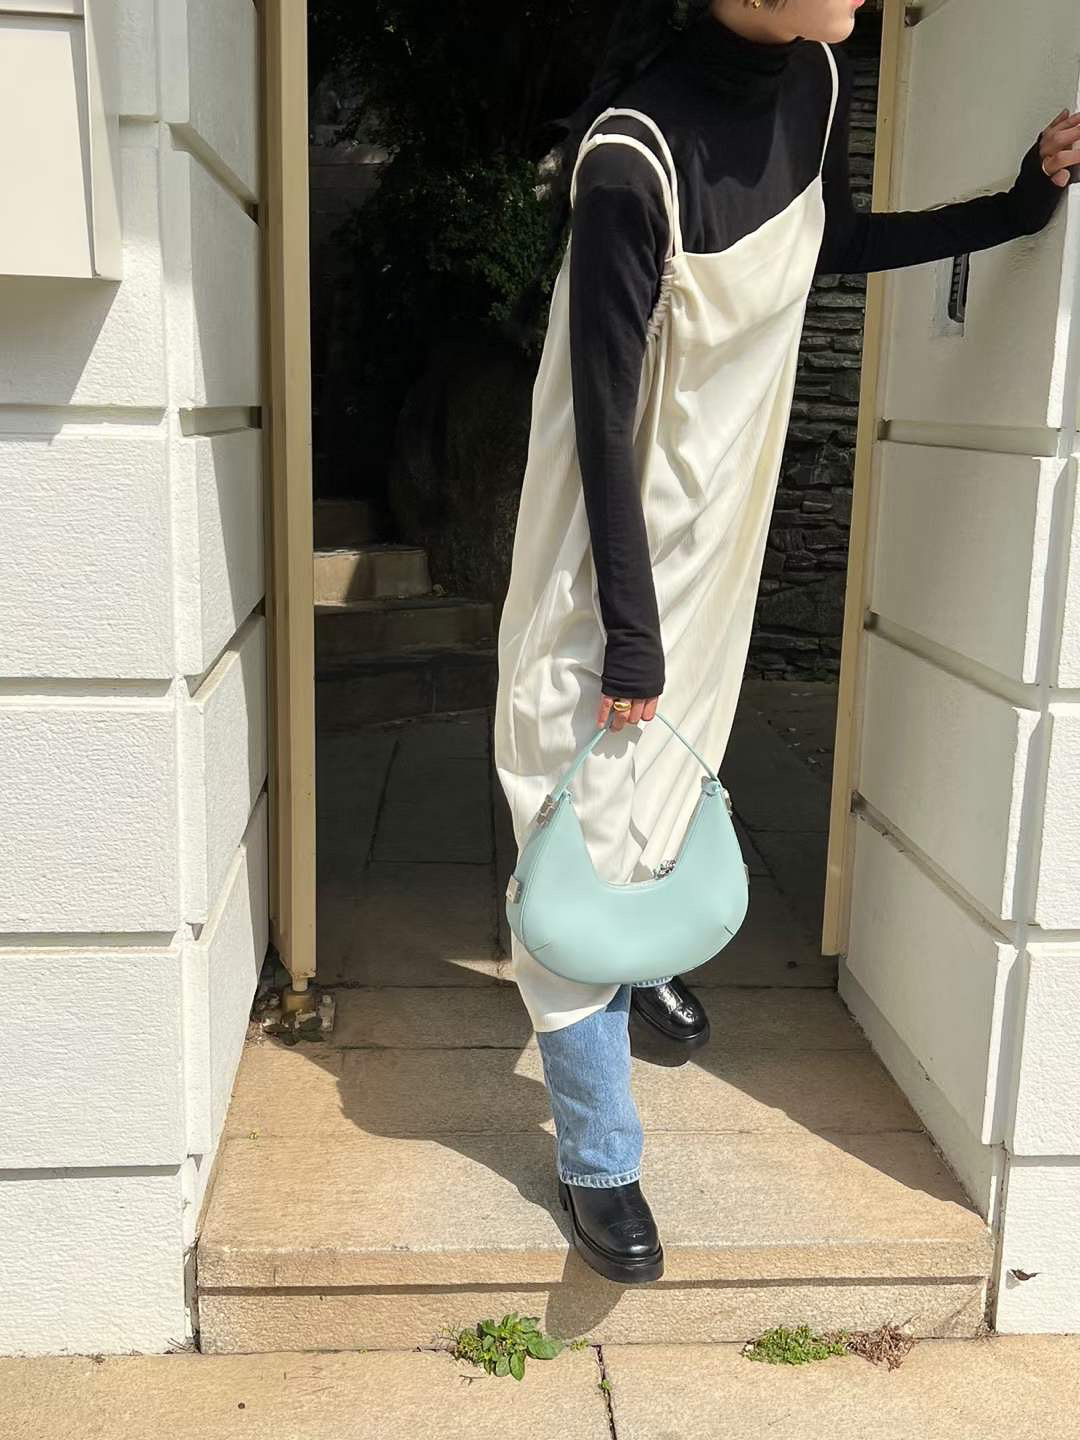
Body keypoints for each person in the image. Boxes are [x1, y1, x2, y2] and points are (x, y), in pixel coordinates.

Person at [493, 0, 1078, 1286]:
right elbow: (600, 425)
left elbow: (834, 242)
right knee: (566, 808)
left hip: (719, 527)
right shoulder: (629, 161)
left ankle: (635, 955)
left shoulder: (816, 81)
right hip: (608, 557)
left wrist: (1016, 209)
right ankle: (598, 1151)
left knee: (669, 782)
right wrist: (628, 637)